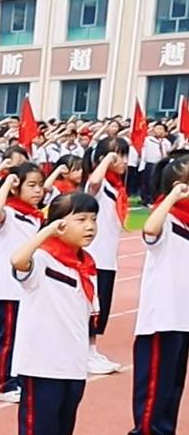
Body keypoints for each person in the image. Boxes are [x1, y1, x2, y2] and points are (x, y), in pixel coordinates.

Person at [8, 191, 99, 435]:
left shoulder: (87, 264)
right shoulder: (43, 259)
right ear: (60, 224)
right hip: (42, 360)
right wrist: (46, 231)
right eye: (82, 219)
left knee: (63, 424)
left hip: (72, 360)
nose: (90, 226)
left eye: (93, 219)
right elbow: (18, 260)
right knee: (40, 424)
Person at [125, 157, 189, 435]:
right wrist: (171, 198)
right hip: (162, 314)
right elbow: (149, 229)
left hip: (183, 314)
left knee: (173, 381)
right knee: (154, 381)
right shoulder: (166, 220)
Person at [0, 163, 46, 403]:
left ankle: (17, 377)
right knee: (8, 337)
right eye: (31, 185)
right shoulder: (8, 214)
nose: (38, 190)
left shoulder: (35, 217)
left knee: (25, 336)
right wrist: (8, 182)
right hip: (10, 288)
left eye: (40, 186)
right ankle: (1, 384)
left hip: (28, 286)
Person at [83, 137, 129, 376]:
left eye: (124, 155)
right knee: (93, 306)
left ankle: (91, 349)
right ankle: (86, 352)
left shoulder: (117, 187)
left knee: (102, 305)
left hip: (108, 256)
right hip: (94, 256)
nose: (123, 161)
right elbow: (93, 181)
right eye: (117, 156)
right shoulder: (99, 186)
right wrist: (106, 160)